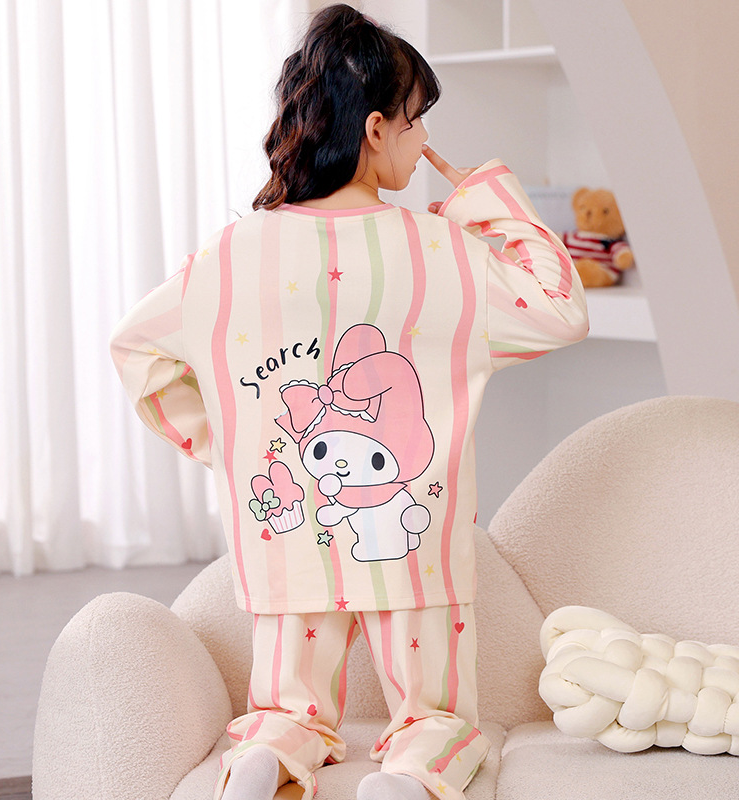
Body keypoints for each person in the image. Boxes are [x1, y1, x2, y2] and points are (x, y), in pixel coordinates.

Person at [109, 5, 589, 800]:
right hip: (415, 544)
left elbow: (136, 349)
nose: (423, 141)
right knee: (438, 715)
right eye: (416, 120)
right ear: (375, 129)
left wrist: (223, 441)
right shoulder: (444, 252)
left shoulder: (231, 254)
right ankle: (410, 776)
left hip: (287, 536)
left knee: (285, 705)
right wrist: (485, 196)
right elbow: (561, 310)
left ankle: (268, 754)